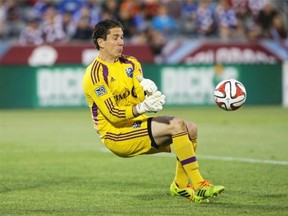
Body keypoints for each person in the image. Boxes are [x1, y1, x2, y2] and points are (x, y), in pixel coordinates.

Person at [82, 19, 225, 203]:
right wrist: (142, 107)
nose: (121, 42)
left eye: (122, 37)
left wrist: (147, 92)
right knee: (176, 125)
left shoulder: (131, 63)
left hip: (136, 123)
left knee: (191, 128)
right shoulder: (95, 74)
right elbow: (114, 115)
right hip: (116, 134)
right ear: (101, 42)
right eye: (115, 37)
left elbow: (138, 96)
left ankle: (180, 186)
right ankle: (199, 185)